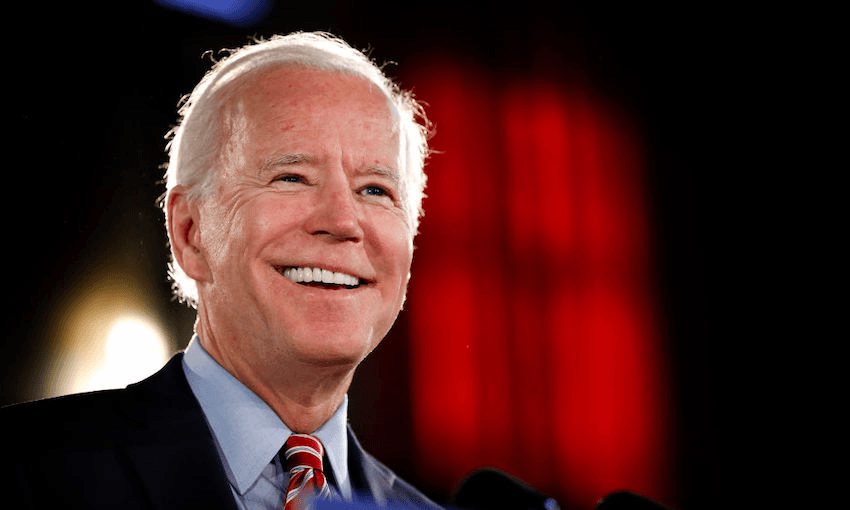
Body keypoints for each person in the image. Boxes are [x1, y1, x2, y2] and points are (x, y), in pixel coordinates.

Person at [0, 31, 438, 510]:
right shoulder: (22, 471)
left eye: (375, 190)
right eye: (290, 177)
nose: (341, 221)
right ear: (190, 232)